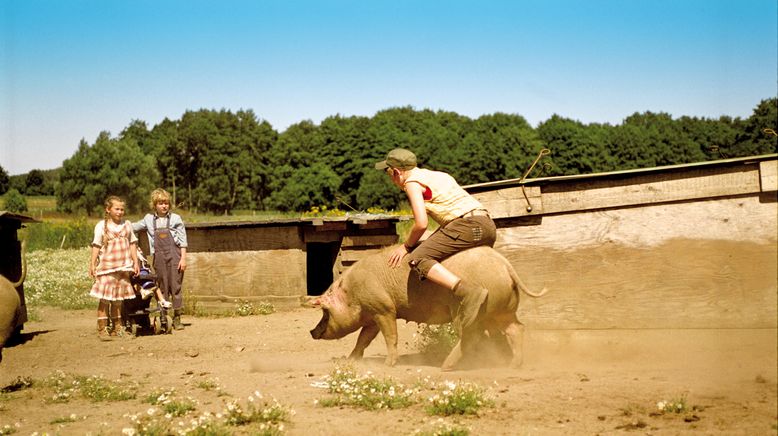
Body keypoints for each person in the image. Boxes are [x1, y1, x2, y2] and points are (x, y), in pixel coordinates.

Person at [375, 148, 497, 331]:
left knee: (419, 258)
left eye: (388, 173)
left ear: (397, 172)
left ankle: (468, 292)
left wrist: (406, 247)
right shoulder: (439, 175)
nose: (390, 178)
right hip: (486, 225)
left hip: (467, 225)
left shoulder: (412, 183)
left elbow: (421, 223)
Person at [133, 189, 188, 330]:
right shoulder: (148, 219)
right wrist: (120, 226)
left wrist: (183, 259)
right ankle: (164, 316)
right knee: (162, 286)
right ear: (154, 205)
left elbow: (183, 240)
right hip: (159, 257)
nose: (164, 206)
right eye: (160, 203)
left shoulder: (176, 218)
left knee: (175, 286)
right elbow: (133, 228)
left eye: (166, 203)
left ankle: (177, 317)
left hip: (175, 256)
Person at [89, 195, 139, 340]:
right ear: (108, 209)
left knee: (118, 300)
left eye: (122, 209)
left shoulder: (127, 225)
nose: (120, 212)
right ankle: (102, 329)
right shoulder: (102, 226)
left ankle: (118, 328)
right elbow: (96, 245)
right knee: (105, 299)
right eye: (117, 209)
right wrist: (92, 264)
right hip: (107, 267)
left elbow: (133, 243)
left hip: (123, 267)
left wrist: (135, 262)